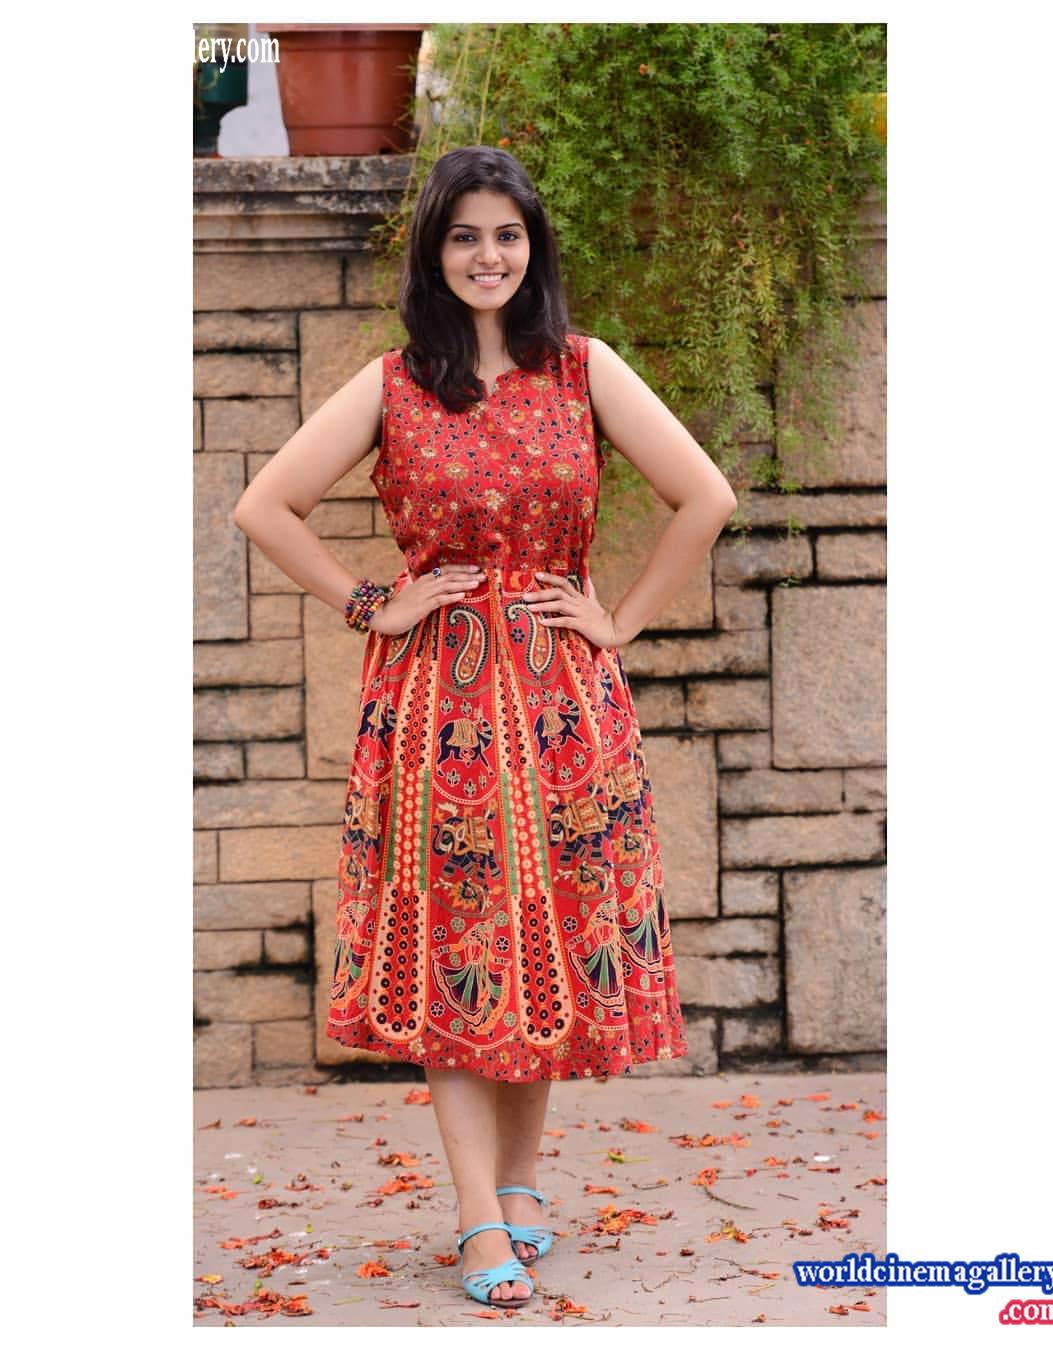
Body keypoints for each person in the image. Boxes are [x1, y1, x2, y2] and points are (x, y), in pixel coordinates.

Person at [232, 145, 737, 1311]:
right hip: (439, 715)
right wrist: (374, 600)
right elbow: (267, 504)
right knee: (460, 951)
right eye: (464, 236)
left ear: (532, 247)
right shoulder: (395, 384)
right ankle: (475, 1219)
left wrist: (619, 623)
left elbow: (704, 495)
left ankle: (517, 1182)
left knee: (542, 942)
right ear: (434, 252)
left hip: (565, 709)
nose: (488, 255)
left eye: (506, 234)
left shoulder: (584, 370)